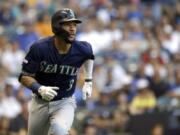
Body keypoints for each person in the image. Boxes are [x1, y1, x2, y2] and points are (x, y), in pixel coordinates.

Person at [18, 8, 94, 135]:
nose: (73, 28)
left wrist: (88, 80)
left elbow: (90, 56)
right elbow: (24, 76)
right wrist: (39, 88)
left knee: (59, 130)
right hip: (39, 102)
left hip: (65, 101)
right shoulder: (40, 48)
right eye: (68, 24)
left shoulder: (82, 48)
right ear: (57, 26)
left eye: (74, 25)